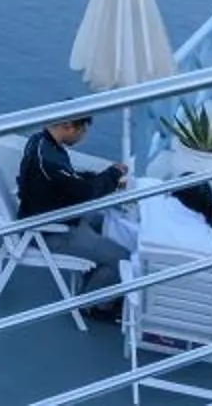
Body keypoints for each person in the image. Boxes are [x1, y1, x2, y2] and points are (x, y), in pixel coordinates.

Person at [18, 112, 131, 321]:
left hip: (50, 212)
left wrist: (103, 177)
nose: (83, 136)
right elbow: (85, 193)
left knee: (104, 219)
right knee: (121, 258)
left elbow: (71, 181)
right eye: (83, 130)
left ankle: (98, 278)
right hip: (51, 231)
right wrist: (113, 174)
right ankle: (92, 305)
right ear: (69, 126)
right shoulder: (51, 161)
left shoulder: (40, 142)